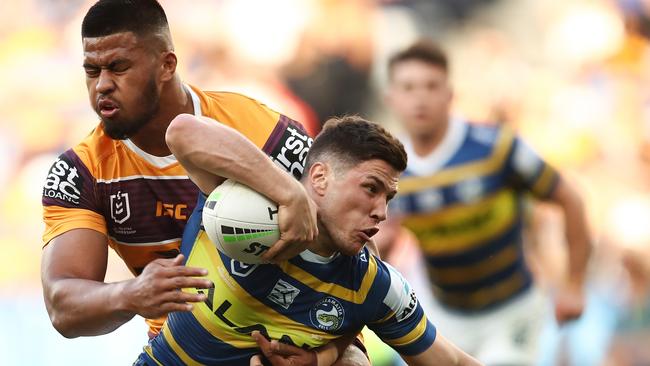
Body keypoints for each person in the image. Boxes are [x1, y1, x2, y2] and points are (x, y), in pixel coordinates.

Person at [40, 0, 367, 364]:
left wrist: (330, 352)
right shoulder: (81, 171)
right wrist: (132, 293)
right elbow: (62, 306)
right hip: (180, 352)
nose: (102, 85)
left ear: (167, 65)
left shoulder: (257, 128)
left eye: (118, 67)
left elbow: (362, 249)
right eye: (91, 70)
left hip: (285, 342)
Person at [135, 115, 482, 366]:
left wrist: (323, 358)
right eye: (371, 189)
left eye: (388, 198)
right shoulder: (243, 203)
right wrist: (289, 194)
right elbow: (181, 131)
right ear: (319, 177)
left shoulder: (372, 284)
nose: (381, 213)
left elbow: (451, 360)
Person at [378, 40, 593, 364]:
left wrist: (574, 283)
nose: (419, 98)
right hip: (444, 315)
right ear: (391, 98)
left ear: (450, 94)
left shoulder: (497, 148)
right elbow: (384, 237)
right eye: (408, 87)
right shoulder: (391, 170)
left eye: (431, 86)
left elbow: (569, 198)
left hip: (512, 310)